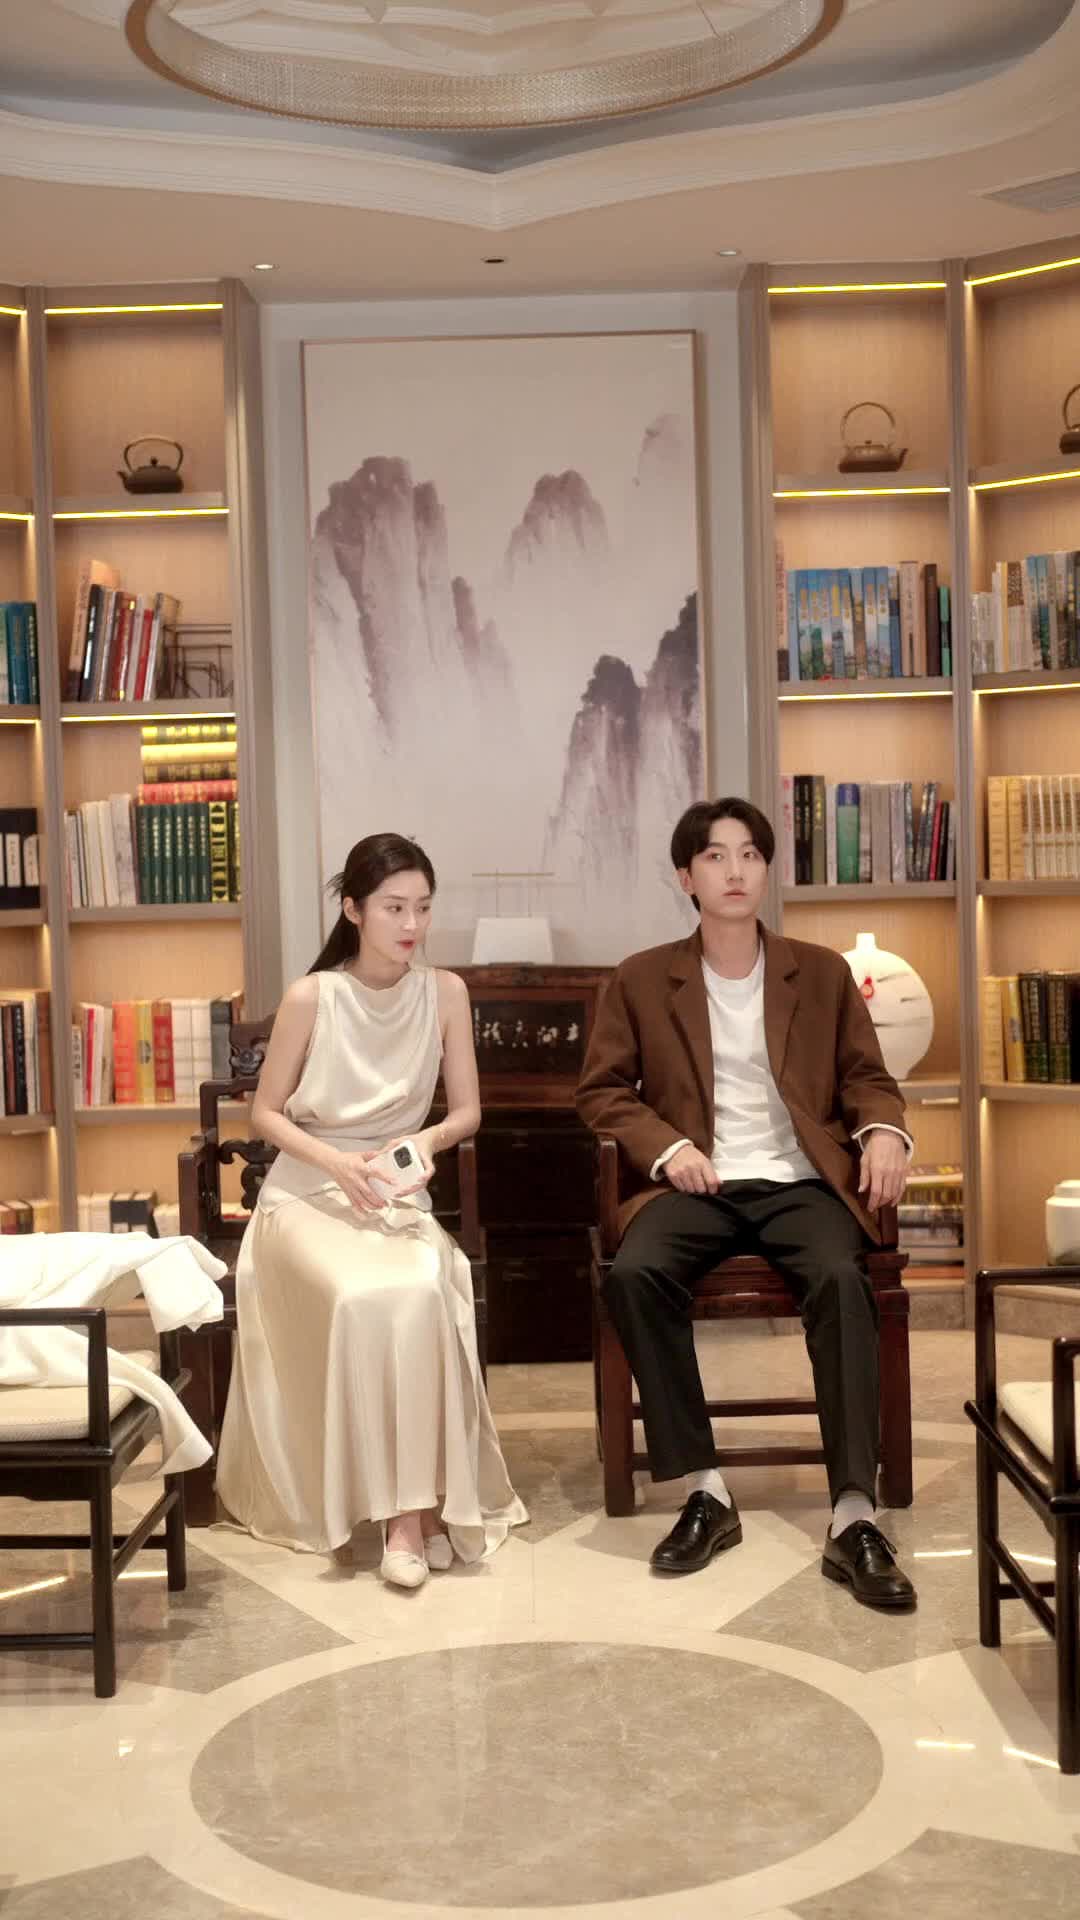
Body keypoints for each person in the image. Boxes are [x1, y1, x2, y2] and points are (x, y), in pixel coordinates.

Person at [576, 797, 916, 1609]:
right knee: (634, 1275)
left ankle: (853, 1512)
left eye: (750, 855)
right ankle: (706, 1490)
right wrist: (669, 1148)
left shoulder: (821, 972)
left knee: (841, 1278)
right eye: (715, 856)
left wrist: (882, 1132)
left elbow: (867, 1076)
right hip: (695, 1183)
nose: (735, 870)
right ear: (685, 877)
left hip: (801, 1181)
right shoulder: (641, 977)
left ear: (767, 870)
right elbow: (601, 1091)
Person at [216, 832, 527, 1588]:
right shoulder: (312, 996)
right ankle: (412, 1519)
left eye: (422, 907)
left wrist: (425, 1140)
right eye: (393, 907)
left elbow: (469, 1113)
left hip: (393, 1189)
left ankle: (409, 1515)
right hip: (306, 1194)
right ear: (353, 909)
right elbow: (265, 1114)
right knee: (360, 1296)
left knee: (418, 1288)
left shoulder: (445, 993)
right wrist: (335, 1163)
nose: (411, 924)